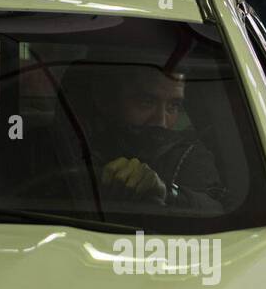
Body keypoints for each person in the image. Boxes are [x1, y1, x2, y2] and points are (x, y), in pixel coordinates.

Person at [60, 62, 225, 213]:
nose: (161, 121)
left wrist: (166, 192)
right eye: (146, 102)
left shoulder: (187, 156)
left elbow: (216, 210)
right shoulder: (64, 149)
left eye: (173, 106)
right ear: (106, 101)